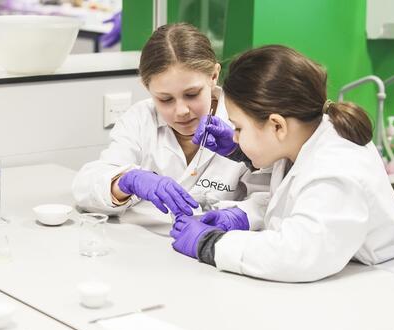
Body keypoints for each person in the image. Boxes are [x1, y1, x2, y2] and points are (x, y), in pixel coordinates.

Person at [170, 45, 394, 282]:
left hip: (377, 295)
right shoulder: (304, 140)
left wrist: (211, 244)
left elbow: (298, 253)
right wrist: (245, 214)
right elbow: (296, 203)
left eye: (238, 127)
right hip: (338, 280)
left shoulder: (336, 166)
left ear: (277, 125)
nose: (233, 136)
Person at [72, 23, 269, 220]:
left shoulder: (247, 120)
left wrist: (238, 217)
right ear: (146, 87)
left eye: (192, 94)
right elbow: (86, 188)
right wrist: (125, 181)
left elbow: (272, 197)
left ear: (214, 76)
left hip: (218, 245)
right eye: (165, 99)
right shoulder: (140, 119)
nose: (181, 111)